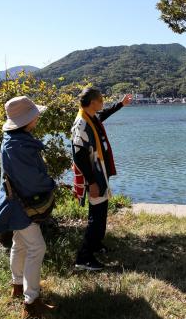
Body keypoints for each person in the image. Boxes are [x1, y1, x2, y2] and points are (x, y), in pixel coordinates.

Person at [0, 96, 56, 318]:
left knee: (20, 243)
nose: (38, 117)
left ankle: (17, 285)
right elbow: (31, 180)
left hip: (12, 202)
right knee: (37, 248)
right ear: (28, 119)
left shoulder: (13, 138)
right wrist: (50, 183)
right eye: (35, 114)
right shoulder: (18, 144)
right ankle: (31, 301)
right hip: (21, 205)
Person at [71, 88, 132, 271]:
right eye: (101, 100)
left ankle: (96, 244)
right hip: (94, 178)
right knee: (96, 217)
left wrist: (120, 105)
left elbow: (103, 115)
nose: (102, 103)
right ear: (92, 103)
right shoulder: (81, 124)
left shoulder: (91, 117)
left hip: (100, 173)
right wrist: (92, 182)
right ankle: (84, 257)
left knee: (101, 211)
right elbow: (79, 157)